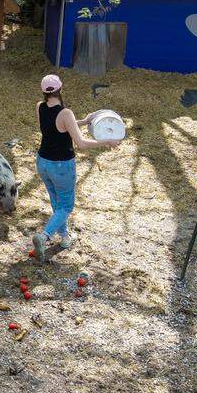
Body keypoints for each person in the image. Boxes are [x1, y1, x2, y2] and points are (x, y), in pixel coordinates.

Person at [32, 74, 120, 262]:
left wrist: (84, 121)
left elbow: (55, 127)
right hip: (61, 166)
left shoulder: (40, 107)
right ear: (60, 89)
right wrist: (106, 142)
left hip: (43, 162)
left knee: (56, 202)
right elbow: (81, 143)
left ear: (43, 91)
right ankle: (44, 236)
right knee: (66, 206)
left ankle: (64, 238)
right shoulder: (65, 113)